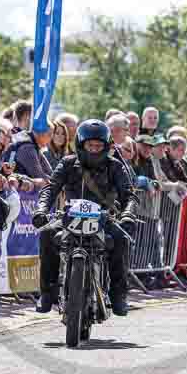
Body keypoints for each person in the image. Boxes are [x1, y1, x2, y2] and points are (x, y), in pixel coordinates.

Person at [32, 120, 139, 316]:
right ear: (81, 145)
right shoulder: (67, 163)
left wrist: (127, 215)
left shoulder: (114, 166)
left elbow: (129, 195)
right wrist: (41, 210)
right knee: (47, 233)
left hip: (104, 218)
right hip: (69, 216)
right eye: (90, 145)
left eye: (99, 146)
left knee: (121, 239)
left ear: (106, 146)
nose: (94, 150)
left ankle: (118, 295)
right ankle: (46, 293)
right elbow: (50, 188)